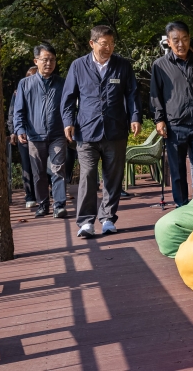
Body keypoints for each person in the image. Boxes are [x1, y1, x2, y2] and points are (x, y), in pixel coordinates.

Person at [61, 25, 142, 238]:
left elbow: (132, 94)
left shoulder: (122, 66)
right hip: (86, 131)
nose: (108, 48)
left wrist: (135, 117)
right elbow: (68, 97)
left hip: (115, 130)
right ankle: (86, 222)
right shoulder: (78, 66)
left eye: (112, 44)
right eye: (104, 44)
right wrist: (68, 121)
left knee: (112, 177)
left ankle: (107, 218)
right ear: (92, 43)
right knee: (87, 175)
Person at [150, 21, 193, 207]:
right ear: (169, 43)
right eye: (176, 40)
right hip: (174, 125)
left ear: (189, 39)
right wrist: (159, 119)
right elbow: (156, 96)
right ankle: (182, 205)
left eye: (185, 39)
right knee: (177, 170)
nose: (181, 44)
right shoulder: (160, 66)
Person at [13, 45, 68, 218]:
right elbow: (18, 110)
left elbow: (68, 108)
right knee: (38, 173)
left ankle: (59, 205)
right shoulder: (25, 83)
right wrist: (19, 128)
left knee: (58, 169)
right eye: (45, 59)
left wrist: (70, 125)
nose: (49, 63)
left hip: (57, 133)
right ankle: (43, 204)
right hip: (34, 135)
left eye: (52, 59)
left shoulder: (62, 83)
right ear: (36, 61)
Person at [7, 66, 38, 209]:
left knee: (43, 165)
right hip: (24, 133)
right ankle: (30, 195)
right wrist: (14, 131)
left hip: (41, 133)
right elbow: (12, 114)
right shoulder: (17, 93)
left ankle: (42, 193)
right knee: (27, 165)